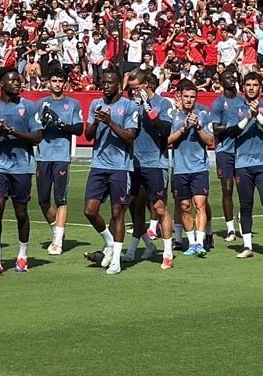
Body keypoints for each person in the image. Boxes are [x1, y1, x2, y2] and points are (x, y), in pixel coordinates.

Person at [0, 69, 41, 277]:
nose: (17, 83)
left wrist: (14, 132)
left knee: (21, 212)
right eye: (13, 80)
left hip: (22, 167)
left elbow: (37, 137)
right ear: (1, 84)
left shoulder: (29, 106)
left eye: (19, 80)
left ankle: (22, 255)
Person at [82, 70, 139, 275]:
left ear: (118, 86)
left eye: (110, 83)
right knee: (90, 211)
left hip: (120, 167)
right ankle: (109, 242)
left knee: (117, 213)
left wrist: (110, 122)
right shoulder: (95, 104)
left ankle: (116, 261)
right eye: (103, 82)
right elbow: (88, 136)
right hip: (98, 165)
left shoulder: (129, 106)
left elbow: (130, 136)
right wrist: (97, 121)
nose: (105, 86)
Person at [225, 72, 263, 259]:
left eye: (254, 85)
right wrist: (248, 117)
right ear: (243, 87)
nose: (251, 88)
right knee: (246, 204)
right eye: (248, 85)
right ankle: (247, 245)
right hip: (242, 164)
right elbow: (231, 132)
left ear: (260, 88)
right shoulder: (235, 109)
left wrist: (259, 117)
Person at [124, 70, 175, 269]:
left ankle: (168, 253)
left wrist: (147, 106)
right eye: (131, 89)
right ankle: (137, 247)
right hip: (135, 163)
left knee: (159, 208)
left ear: (146, 84)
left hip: (156, 163)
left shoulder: (163, 104)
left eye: (136, 88)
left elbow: (165, 130)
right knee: (135, 207)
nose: (134, 92)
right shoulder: (131, 105)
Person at [34, 70, 83, 255]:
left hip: (61, 156)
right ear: (48, 82)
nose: (57, 84)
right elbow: (34, 129)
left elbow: (79, 129)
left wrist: (61, 124)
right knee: (43, 200)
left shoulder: (73, 104)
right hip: (42, 156)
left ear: (65, 83)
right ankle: (57, 230)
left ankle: (58, 240)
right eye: (54, 80)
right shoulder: (40, 104)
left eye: (60, 81)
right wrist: (44, 123)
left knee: (60, 198)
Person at [169, 81, 215, 258]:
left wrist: (198, 127)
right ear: (180, 97)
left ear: (196, 98)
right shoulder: (173, 115)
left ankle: (200, 242)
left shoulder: (203, 114)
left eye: (192, 97)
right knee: (184, 206)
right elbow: (167, 140)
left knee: (200, 204)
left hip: (199, 167)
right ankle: (191, 242)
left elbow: (210, 141)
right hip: (180, 168)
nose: (189, 100)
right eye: (186, 96)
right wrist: (184, 128)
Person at [209, 71, 242, 241]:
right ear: (221, 82)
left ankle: (243, 218)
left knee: (244, 189)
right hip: (224, 151)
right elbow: (214, 128)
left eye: (233, 77)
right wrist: (231, 127)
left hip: (242, 151)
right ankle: (230, 228)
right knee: (227, 189)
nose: (232, 79)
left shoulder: (243, 101)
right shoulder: (218, 103)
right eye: (228, 77)